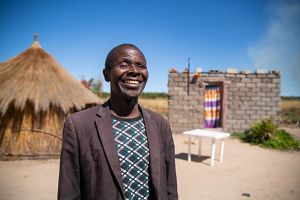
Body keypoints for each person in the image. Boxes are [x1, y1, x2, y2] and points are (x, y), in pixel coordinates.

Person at [57, 44, 178, 200]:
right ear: (107, 74)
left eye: (140, 66)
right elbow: (69, 191)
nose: (134, 71)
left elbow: (170, 187)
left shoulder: (161, 124)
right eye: (124, 64)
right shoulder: (79, 125)